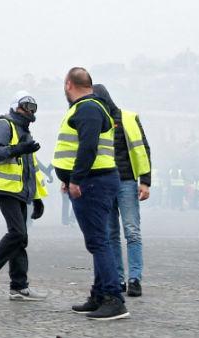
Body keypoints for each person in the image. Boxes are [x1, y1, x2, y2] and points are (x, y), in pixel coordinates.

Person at [52, 67, 128, 321]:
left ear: (68, 84)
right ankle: (98, 295)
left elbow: (88, 146)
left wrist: (75, 178)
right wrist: (69, 178)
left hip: (92, 183)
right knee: (99, 240)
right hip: (94, 181)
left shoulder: (87, 108)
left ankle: (113, 299)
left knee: (98, 241)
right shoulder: (92, 107)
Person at [0, 91, 48, 302]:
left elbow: (31, 170)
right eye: (26, 106)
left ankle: (19, 286)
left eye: (33, 108)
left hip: (19, 191)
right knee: (16, 233)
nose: (30, 111)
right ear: (16, 106)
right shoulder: (4, 125)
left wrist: (36, 197)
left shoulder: (24, 132)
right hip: (4, 187)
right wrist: (18, 149)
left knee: (20, 237)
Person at [94, 84, 152, 298]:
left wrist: (145, 181)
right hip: (104, 183)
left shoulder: (128, 118)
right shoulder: (95, 120)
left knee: (131, 231)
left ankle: (134, 278)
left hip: (126, 182)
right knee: (111, 235)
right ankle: (118, 279)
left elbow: (143, 148)